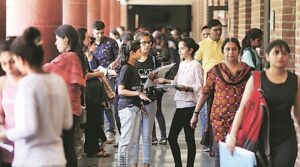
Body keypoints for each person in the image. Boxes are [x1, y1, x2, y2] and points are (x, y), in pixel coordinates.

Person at [0, 27, 73, 166]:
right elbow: (67, 123)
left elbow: (29, 128)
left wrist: (4, 134)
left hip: (32, 158)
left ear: (21, 59)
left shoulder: (27, 84)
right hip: (56, 158)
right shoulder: (58, 81)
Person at [226, 39, 299, 167]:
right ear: (267, 56)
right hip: (258, 136)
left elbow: (298, 112)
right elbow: (242, 108)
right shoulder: (256, 79)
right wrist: (232, 134)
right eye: (276, 52)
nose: (280, 56)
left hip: (286, 138)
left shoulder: (295, 81)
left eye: (284, 53)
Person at [190, 38, 252, 167]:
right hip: (219, 119)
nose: (231, 52)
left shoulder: (248, 72)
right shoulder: (215, 71)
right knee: (221, 153)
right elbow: (205, 93)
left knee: (240, 153)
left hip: (242, 118)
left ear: (239, 51)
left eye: (234, 49)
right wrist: (195, 113)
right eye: (227, 49)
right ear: (222, 51)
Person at [155, 38, 203, 167]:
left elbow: (199, 85)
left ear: (190, 50)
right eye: (179, 48)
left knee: (187, 139)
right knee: (178, 138)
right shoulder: (181, 64)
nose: (179, 51)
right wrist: (165, 81)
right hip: (180, 104)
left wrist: (187, 88)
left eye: (182, 48)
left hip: (189, 106)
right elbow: (176, 82)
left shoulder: (196, 65)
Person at [44, 24, 86, 167]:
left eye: (57, 39)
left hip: (67, 110)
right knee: (68, 147)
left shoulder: (67, 57)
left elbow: (45, 69)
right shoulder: (75, 56)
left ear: (66, 39)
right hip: (72, 109)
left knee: (66, 149)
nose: (55, 43)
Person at [77, 28, 110, 157]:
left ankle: (93, 147)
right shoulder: (78, 55)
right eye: (87, 37)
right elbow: (83, 75)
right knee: (91, 121)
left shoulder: (81, 54)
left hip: (92, 93)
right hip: (88, 95)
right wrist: (99, 73)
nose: (90, 39)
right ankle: (93, 148)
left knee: (94, 120)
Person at [117, 40, 150, 166]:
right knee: (126, 140)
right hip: (127, 108)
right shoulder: (126, 68)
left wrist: (140, 103)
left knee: (133, 141)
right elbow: (121, 90)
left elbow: (134, 88)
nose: (141, 52)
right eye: (139, 51)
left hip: (135, 107)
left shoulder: (133, 67)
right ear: (132, 53)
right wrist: (138, 94)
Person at [134, 31, 161, 166]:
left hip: (151, 100)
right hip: (135, 102)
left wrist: (155, 78)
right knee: (135, 135)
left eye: (149, 42)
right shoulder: (132, 60)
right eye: (144, 42)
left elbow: (159, 79)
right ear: (138, 44)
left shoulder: (154, 59)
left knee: (147, 134)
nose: (148, 45)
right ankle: (134, 162)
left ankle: (147, 162)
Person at [92, 21, 119, 143]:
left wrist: (115, 63)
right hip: (94, 77)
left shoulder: (111, 42)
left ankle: (110, 131)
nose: (100, 35)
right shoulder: (90, 43)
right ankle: (99, 132)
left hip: (109, 77)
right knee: (96, 105)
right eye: (97, 33)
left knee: (108, 104)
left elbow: (119, 57)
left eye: (102, 33)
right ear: (93, 31)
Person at [0, 39, 23, 167]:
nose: (8, 67)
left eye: (12, 62)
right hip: (8, 142)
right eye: (3, 63)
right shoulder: (2, 83)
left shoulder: (30, 81)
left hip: (29, 143)